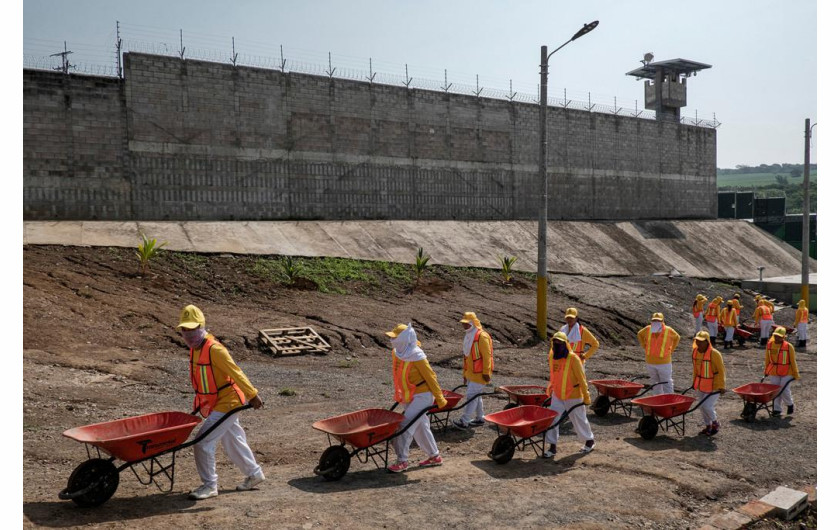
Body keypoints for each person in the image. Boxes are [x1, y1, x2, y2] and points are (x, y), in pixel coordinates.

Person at [176, 305, 264, 501]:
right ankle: (254, 474)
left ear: (202, 326)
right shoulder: (194, 349)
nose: (189, 334)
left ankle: (209, 485)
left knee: (203, 441)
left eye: (193, 329)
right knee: (233, 439)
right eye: (185, 330)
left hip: (229, 402)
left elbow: (236, 372)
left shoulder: (214, 349)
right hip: (218, 402)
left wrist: (253, 394)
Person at [386, 323, 448, 472]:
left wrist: (440, 398)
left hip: (423, 395)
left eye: (395, 338)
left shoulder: (417, 355)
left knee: (405, 425)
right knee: (421, 426)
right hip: (409, 394)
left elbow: (431, 377)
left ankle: (402, 461)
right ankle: (434, 456)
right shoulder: (398, 352)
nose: (392, 340)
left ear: (404, 339)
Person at [543, 331, 595, 457]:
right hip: (558, 394)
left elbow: (582, 379)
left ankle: (589, 441)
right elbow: (553, 374)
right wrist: (550, 387)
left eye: (559, 342)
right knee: (553, 419)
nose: (557, 344)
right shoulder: (552, 356)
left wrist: (586, 396)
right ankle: (552, 446)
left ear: (565, 343)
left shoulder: (573, 358)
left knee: (578, 418)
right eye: (555, 342)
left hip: (573, 394)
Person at [452, 312, 493, 429]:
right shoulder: (469, 336)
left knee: (471, 396)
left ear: (473, 323)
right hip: (471, 373)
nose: (464, 326)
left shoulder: (481, 336)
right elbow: (467, 357)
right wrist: (465, 374)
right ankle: (480, 418)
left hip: (480, 374)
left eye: (466, 324)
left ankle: (464, 421)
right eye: (463, 324)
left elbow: (487, 356)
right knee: (476, 396)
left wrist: (486, 372)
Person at [691, 331, 726, 436]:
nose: (698, 343)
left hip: (713, 386)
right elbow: (695, 370)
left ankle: (715, 423)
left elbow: (721, 371)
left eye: (701, 341)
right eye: (697, 341)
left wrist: (721, 386)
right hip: (701, 385)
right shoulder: (695, 352)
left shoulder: (714, 354)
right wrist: (694, 383)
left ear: (707, 342)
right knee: (702, 407)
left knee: (707, 406)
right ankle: (708, 426)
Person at [637, 313, 681, 395]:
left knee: (666, 382)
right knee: (655, 382)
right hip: (650, 361)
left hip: (664, 362)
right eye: (654, 320)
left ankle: (669, 399)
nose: (656, 322)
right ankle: (658, 398)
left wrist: (671, 349)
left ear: (662, 321)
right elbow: (639, 334)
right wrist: (643, 345)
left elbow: (677, 337)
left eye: (658, 320)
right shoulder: (648, 329)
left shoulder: (668, 330)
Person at [764, 327, 800, 416]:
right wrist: (766, 371)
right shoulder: (769, 345)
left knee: (784, 389)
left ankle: (790, 404)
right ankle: (777, 409)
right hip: (774, 371)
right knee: (775, 390)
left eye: (779, 337)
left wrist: (796, 374)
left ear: (784, 337)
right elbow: (767, 359)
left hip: (787, 371)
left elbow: (793, 360)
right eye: (775, 336)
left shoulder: (788, 346)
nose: (777, 338)